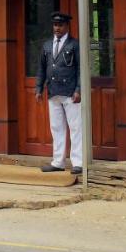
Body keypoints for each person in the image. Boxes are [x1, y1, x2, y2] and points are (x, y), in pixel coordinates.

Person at [34, 11, 82, 174]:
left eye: (60, 25)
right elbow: (42, 68)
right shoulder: (47, 45)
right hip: (53, 92)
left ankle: (78, 162)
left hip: (70, 92)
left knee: (76, 128)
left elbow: (81, 69)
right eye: (55, 24)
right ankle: (58, 161)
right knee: (56, 128)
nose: (57, 28)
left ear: (67, 26)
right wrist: (39, 88)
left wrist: (78, 89)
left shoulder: (74, 44)